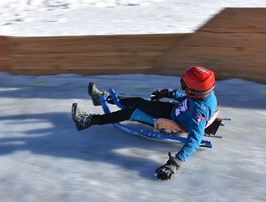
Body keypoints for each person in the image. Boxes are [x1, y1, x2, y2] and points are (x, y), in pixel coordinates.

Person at [71, 66, 219, 180]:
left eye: (185, 86)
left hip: (172, 122)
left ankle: (88, 121)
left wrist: (175, 163)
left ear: (194, 90)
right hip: (175, 110)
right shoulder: (204, 95)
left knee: (132, 112)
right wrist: (171, 94)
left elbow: (195, 139)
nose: (184, 87)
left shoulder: (199, 114)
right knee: (140, 102)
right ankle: (105, 98)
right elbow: (189, 99)